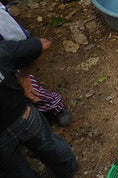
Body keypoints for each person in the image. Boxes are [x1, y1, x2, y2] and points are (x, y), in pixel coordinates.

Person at [0, 37, 78, 177]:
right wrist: (23, 76)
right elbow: (44, 44)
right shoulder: (3, 51)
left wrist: (23, 77)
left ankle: (67, 169)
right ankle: (68, 169)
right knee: (48, 146)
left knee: (17, 171)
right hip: (24, 115)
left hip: (13, 125)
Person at [0, 2, 72, 127]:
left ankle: (55, 107)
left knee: (29, 89)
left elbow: (19, 39)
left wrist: (23, 74)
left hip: (8, 56)